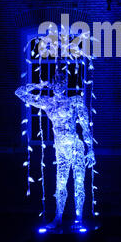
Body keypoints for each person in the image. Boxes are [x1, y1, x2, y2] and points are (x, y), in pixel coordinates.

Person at [15, 72, 95, 229]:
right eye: (56, 82)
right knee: (61, 184)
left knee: (78, 183)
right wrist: (40, 84)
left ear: (65, 84)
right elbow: (19, 92)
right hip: (61, 149)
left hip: (75, 147)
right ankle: (58, 218)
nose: (59, 85)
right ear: (52, 84)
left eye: (62, 82)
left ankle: (78, 219)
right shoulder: (48, 102)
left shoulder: (75, 101)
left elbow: (85, 127)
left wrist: (90, 149)